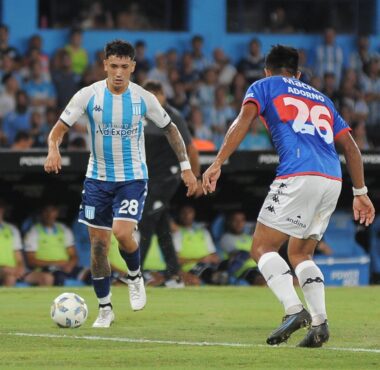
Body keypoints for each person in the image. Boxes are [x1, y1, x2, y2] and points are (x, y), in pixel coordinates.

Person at [203, 45, 375, 348]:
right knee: (300, 254)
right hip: (332, 180)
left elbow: (243, 120)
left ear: (267, 70)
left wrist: (217, 162)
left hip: (298, 174)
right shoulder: (322, 97)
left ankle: (294, 310)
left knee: (262, 247)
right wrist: (360, 192)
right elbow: (350, 147)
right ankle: (320, 323)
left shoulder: (264, 85)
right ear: (298, 73)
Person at [44, 40, 197, 328]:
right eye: (113, 66)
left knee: (122, 231)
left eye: (124, 67)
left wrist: (187, 168)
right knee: (99, 246)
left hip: (132, 178)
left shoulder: (143, 98)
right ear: (104, 65)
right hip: (97, 179)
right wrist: (54, 148)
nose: (118, 72)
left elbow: (172, 130)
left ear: (133, 68)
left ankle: (135, 275)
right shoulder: (88, 95)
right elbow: (58, 130)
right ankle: (105, 309)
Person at [139, 80, 201, 288]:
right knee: (160, 223)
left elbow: (191, 149)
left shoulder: (172, 116)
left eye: (157, 95)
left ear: (163, 96)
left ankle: (135, 274)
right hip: (147, 178)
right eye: (149, 96)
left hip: (167, 178)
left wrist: (196, 177)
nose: (153, 100)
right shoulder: (138, 113)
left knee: (146, 220)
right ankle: (174, 276)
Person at [24, 203, 79, 286]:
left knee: (92, 275)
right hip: (46, 268)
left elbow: (73, 255)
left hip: (66, 266)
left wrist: (70, 265)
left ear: (57, 212)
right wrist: (57, 263)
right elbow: (31, 261)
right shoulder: (33, 232)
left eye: (53, 210)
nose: (49, 214)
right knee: (59, 276)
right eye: (46, 211)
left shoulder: (64, 229)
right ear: (41, 213)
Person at [0, 199, 25, 286]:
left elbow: (18, 256)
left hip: (12, 269)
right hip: (5, 270)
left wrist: (20, 267)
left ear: (2, 210)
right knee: (10, 277)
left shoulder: (12, 229)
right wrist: (3, 267)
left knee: (46, 277)